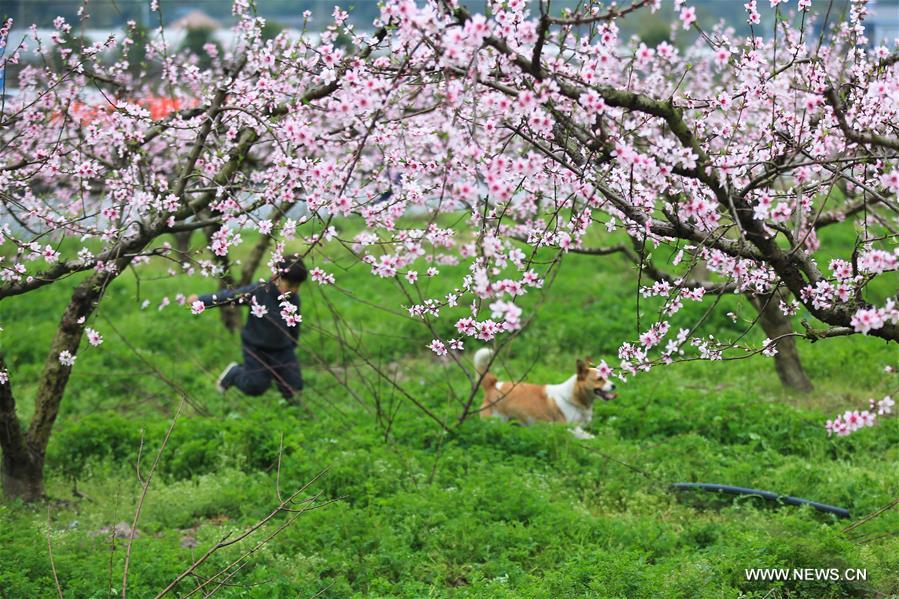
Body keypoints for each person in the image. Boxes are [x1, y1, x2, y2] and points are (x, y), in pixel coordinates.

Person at [188, 254, 307, 402]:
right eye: (290, 286)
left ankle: (293, 413)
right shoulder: (259, 291)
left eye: (297, 286)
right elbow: (230, 296)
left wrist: (292, 343)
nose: (294, 290)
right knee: (256, 386)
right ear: (276, 276)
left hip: (282, 349)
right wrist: (200, 301)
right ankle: (234, 373)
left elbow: (294, 325)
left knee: (294, 387)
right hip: (256, 348)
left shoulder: (294, 299)